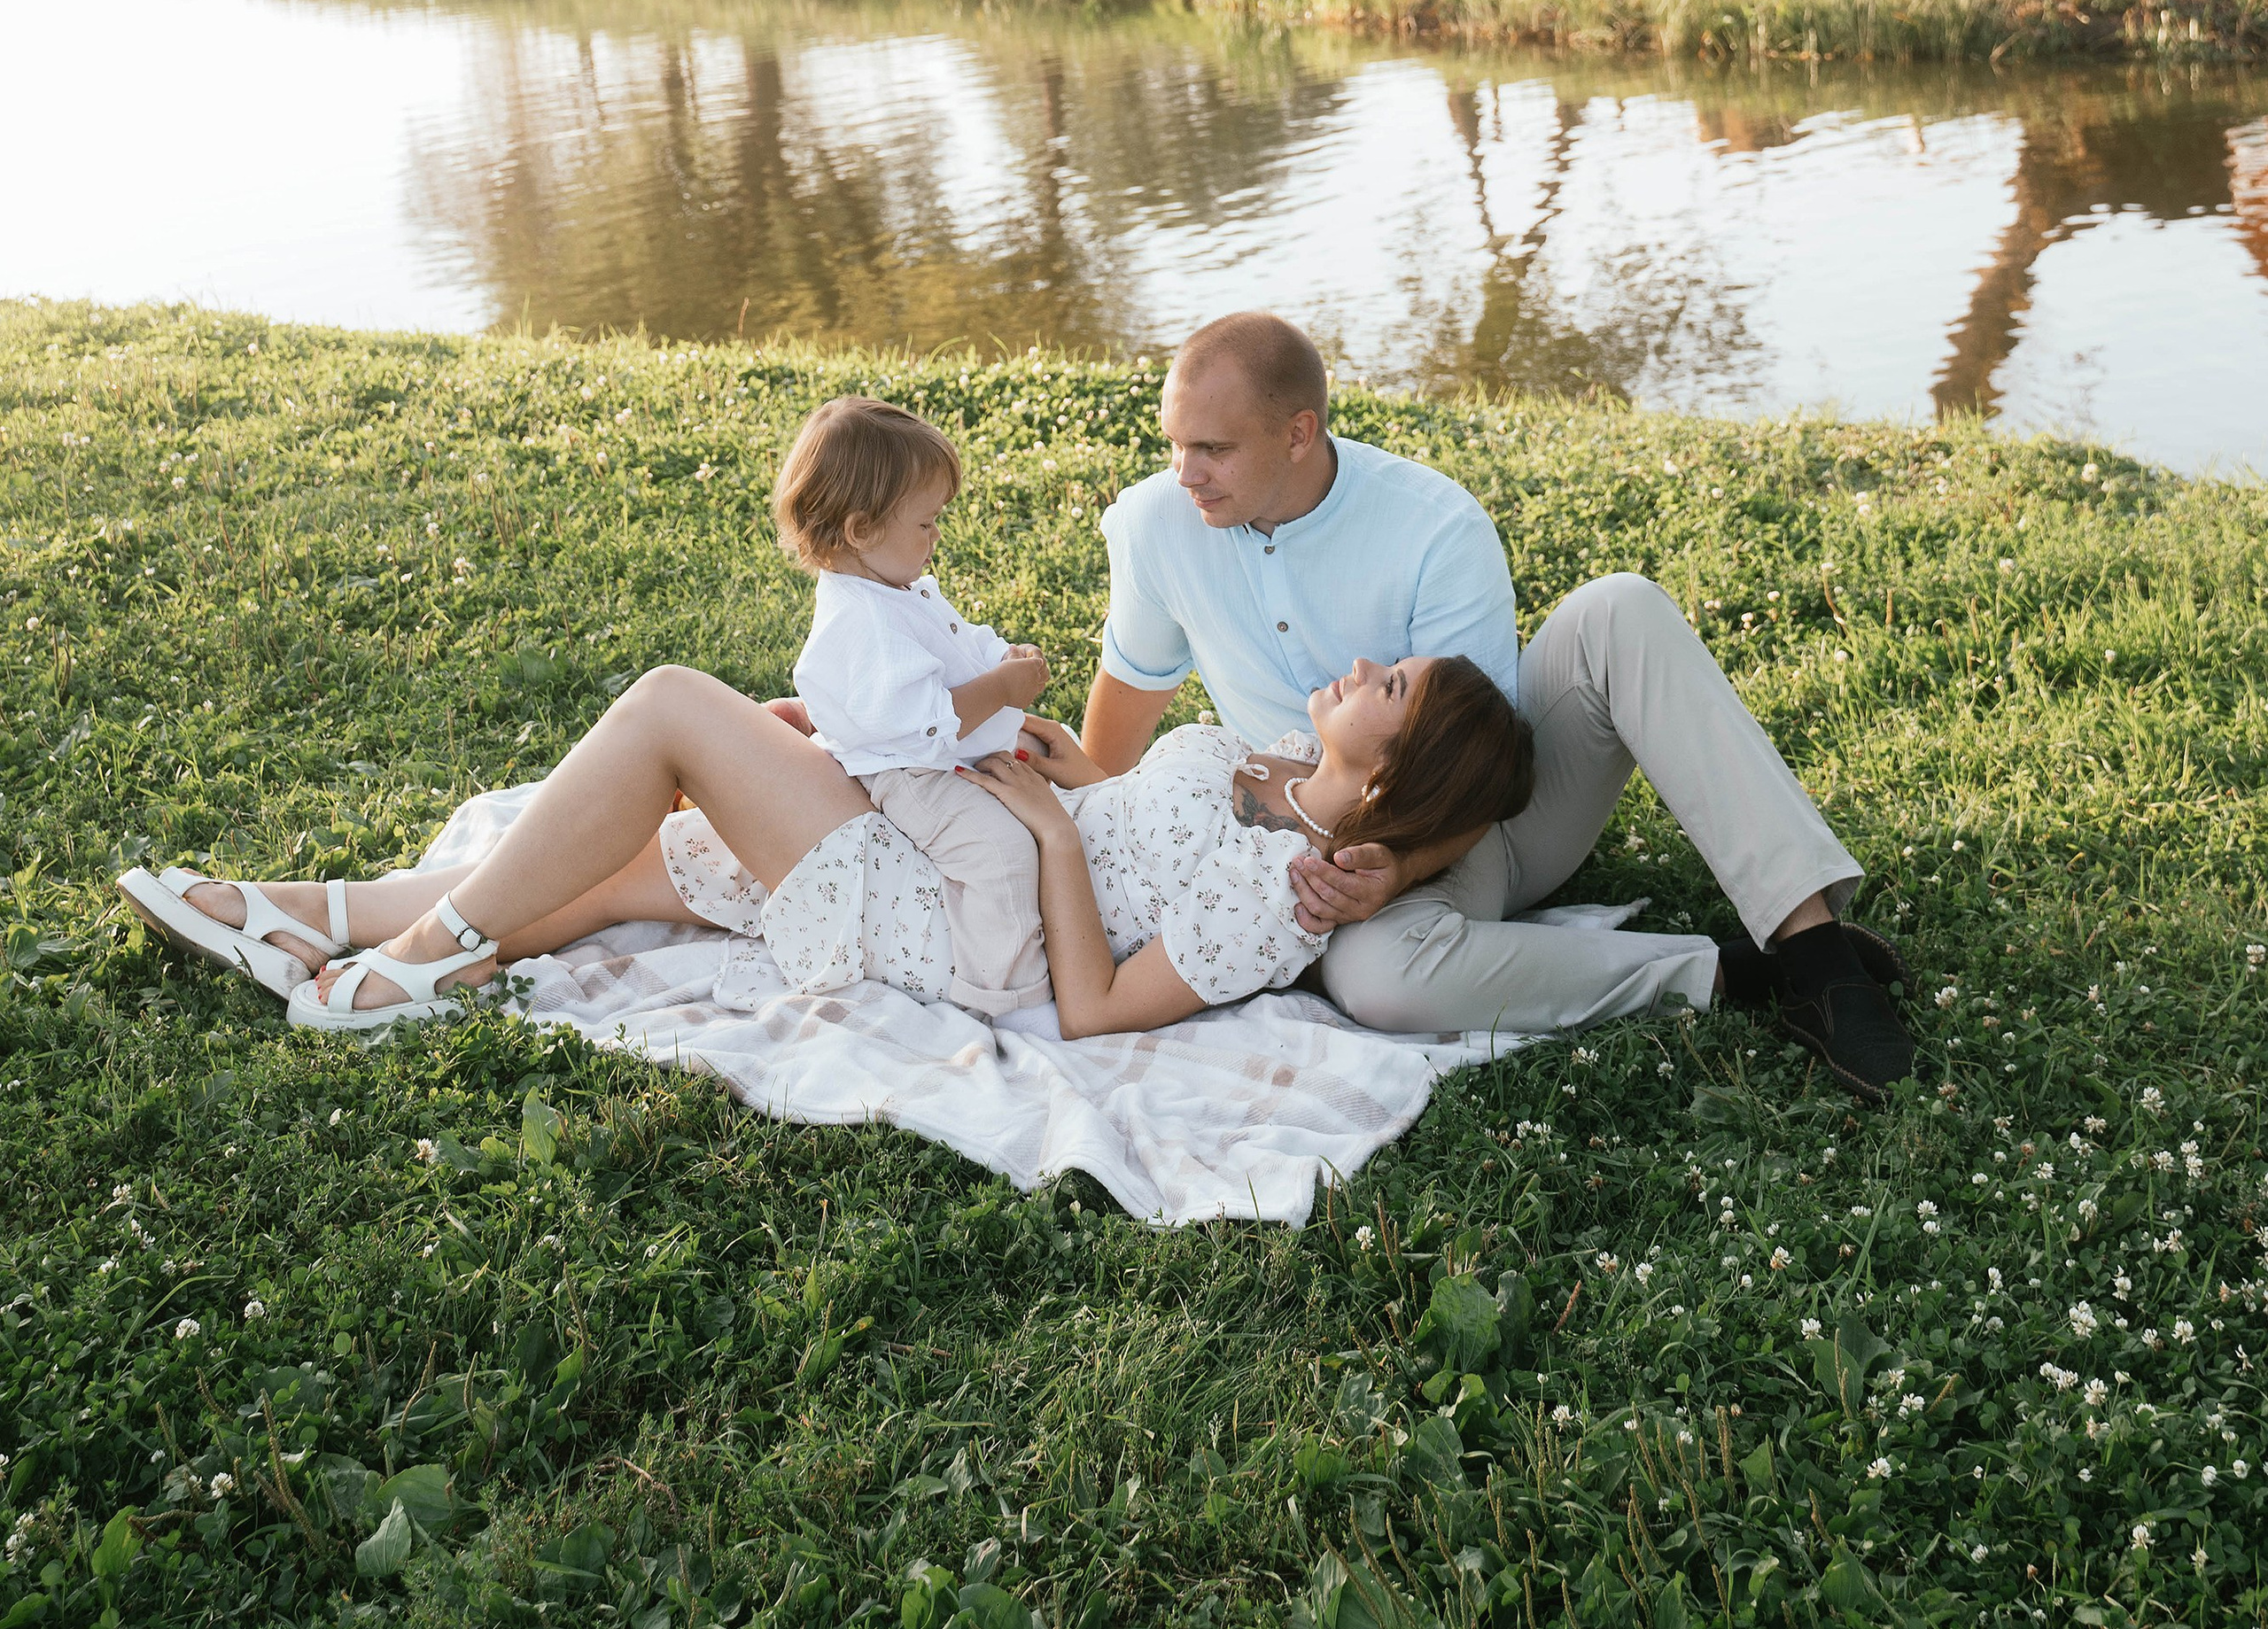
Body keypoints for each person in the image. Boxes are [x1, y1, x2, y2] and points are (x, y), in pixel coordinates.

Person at [1079, 310, 1915, 1098]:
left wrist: (1399, 869)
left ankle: (1814, 953)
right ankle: (1731, 971)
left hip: (1479, 826)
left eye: (1213, 449)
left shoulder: (1431, 526)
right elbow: (1119, 728)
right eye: (1177, 444)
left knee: (1617, 609)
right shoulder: (1162, 523)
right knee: (1376, 979)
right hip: (1308, 868)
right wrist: (1066, 830)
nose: (1185, 472)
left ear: (1298, 433)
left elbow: (1476, 770)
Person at [116, 644, 1542, 1040]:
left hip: (971, 930)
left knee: (676, 711)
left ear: (1390, 785)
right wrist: (1012, 763)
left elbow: (1094, 1006)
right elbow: (1116, 801)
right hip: (961, 830)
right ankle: (311, 913)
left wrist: (1046, 832)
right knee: (637, 858)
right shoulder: (1262, 763)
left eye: (1397, 688)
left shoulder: (1282, 903)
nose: (1369, 665)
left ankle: (424, 960)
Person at [773, 395, 1050, 1016]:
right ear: (862, 529)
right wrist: (1004, 689)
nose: (937, 535)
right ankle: (1003, 997)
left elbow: (952, 640)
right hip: (908, 771)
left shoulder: (892, 587)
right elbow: (928, 719)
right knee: (999, 853)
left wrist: (1002, 656)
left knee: (1039, 796)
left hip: (938, 752)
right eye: (925, 523)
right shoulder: (859, 619)